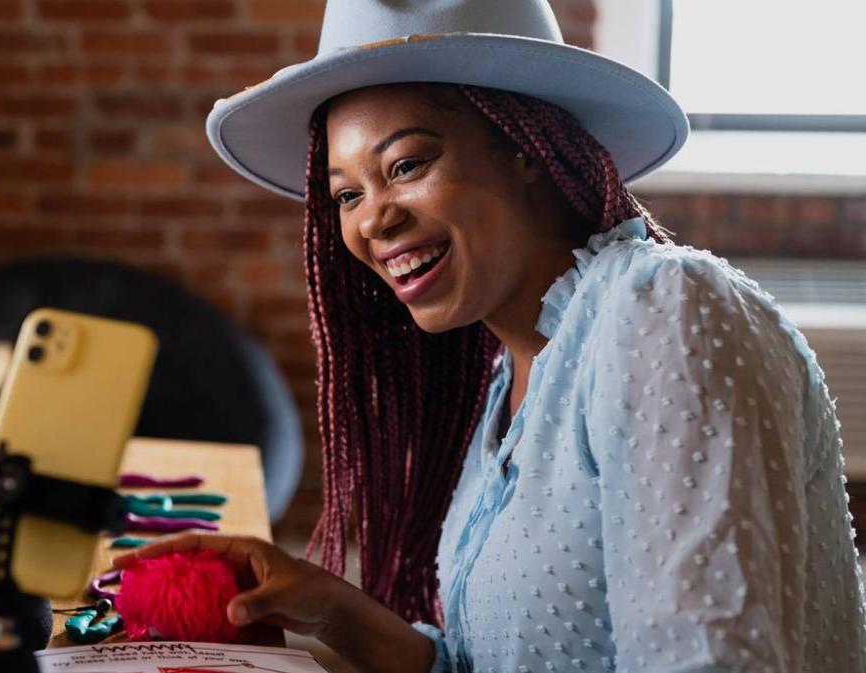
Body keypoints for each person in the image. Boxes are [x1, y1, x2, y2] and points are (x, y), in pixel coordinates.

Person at [116, 1, 866, 671]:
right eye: (347, 194)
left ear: (525, 148)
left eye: (406, 163)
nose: (373, 219)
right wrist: (330, 605)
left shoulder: (662, 310)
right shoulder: (514, 375)